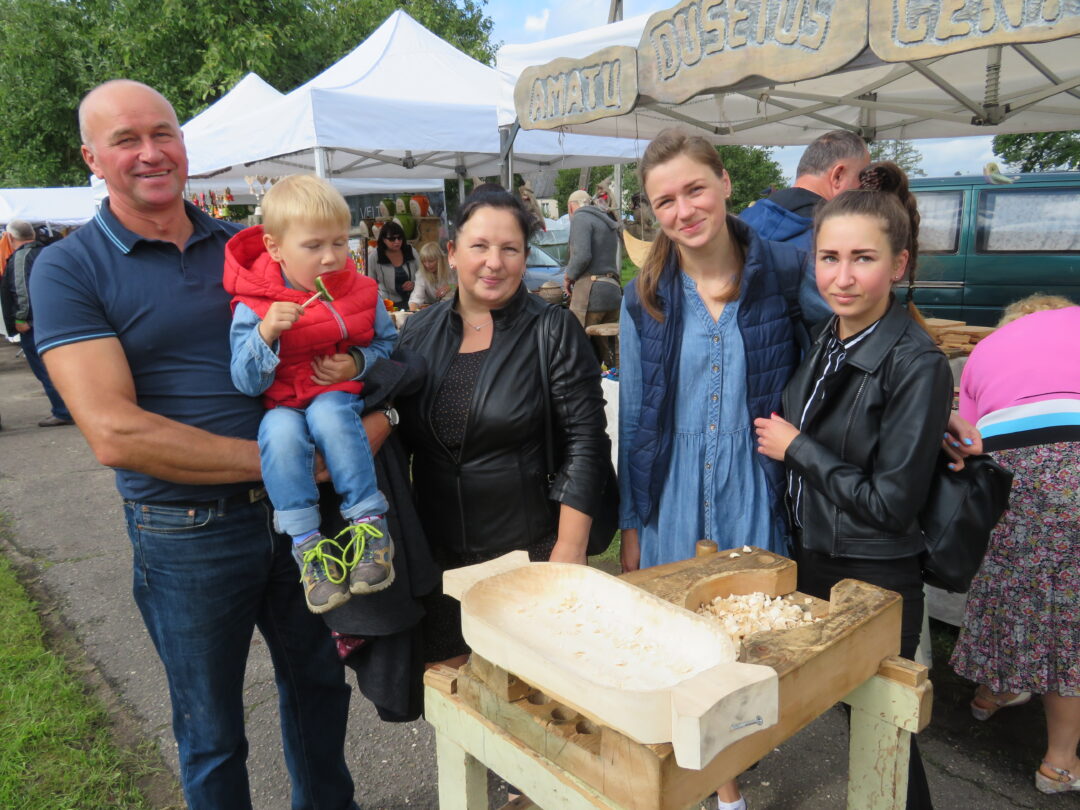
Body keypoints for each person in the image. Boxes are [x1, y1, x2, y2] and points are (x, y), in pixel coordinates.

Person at [30, 79, 362, 810]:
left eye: (163, 133)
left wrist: (366, 390)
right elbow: (113, 431)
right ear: (92, 158)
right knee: (211, 731)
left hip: (301, 521)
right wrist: (289, 469)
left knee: (319, 689)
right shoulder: (69, 267)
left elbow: (340, 334)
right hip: (188, 530)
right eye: (126, 140)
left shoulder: (249, 243)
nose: (151, 152)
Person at [618, 129, 831, 810]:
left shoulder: (786, 272)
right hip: (672, 495)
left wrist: (933, 401)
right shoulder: (643, 295)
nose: (684, 210)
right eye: (665, 201)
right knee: (676, 648)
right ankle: (718, 790)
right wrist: (631, 524)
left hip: (752, 488)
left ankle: (729, 767)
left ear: (725, 183)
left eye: (695, 189)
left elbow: (852, 342)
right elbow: (634, 419)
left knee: (749, 648)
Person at [755, 161, 951, 810]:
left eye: (862, 258)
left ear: (898, 265)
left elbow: (891, 504)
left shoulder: (916, 361)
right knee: (858, 721)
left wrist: (797, 448)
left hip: (873, 578)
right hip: (816, 558)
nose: (842, 276)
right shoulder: (827, 336)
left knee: (883, 735)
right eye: (828, 258)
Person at [395, 184, 610, 668]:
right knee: (451, 695)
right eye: (480, 246)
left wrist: (570, 549)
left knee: (532, 692)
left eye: (510, 248)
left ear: (524, 256)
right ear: (452, 253)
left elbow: (586, 443)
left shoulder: (552, 330)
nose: (494, 262)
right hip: (440, 560)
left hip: (529, 554)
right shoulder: (418, 333)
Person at [224, 174, 398, 614]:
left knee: (328, 415)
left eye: (339, 242)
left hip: (334, 394)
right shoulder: (253, 304)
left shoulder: (361, 290)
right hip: (282, 402)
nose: (330, 257)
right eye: (313, 245)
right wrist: (265, 334)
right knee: (278, 433)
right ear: (275, 247)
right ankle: (308, 545)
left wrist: (356, 362)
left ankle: (369, 524)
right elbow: (245, 381)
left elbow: (387, 344)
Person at [949, 294, 1080, 796]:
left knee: (1010, 584)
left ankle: (994, 691)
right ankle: (1059, 763)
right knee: (1067, 610)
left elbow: (968, 441)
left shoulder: (987, 348)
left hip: (1003, 466)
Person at [740, 130, 870, 252]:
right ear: (838, 176)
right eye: (862, 179)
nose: (865, 189)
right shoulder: (832, 241)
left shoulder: (742, 223)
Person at [1, 220, 74, 427]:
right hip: (58, 318)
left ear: (10, 237)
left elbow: (22, 290)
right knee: (65, 366)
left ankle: (63, 411)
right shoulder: (50, 251)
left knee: (45, 369)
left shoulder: (21, 257)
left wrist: (20, 317)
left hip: (35, 323)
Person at [564, 189, 623, 338]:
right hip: (613, 292)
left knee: (577, 341)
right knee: (606, 347)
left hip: (591, 295)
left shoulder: (580, 217)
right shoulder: (606, 219)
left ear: (571, 206)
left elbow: (582, 256)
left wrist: (568, 277)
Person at [366, 220, 417, 307]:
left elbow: (422, 274)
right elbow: (370, 284)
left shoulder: (410, 251)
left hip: (413, 301)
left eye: (399, 238)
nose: (397, 241)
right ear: (384, 240)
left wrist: (414, 284)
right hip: (387, 304)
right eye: (392, 239)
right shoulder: (374, 256)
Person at [409, 241, 455, 309]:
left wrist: (451, 286)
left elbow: (462, 286)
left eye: (431, 261)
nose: (427, 265)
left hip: (451, 306)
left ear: (439, 260)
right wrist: (413, 309)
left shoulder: (452, 269)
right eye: (424, 261)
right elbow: (416, 297)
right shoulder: (421, 274)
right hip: (431, 307)